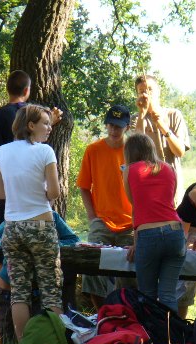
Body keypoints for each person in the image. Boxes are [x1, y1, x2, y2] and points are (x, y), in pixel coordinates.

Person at [0, 104, 62, 342]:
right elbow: (54, 192)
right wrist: (41, 192)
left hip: (12, 228)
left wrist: (18, 193)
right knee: (51, 290)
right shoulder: (45, 151)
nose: (49, 128)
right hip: (40, 226)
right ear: (31, 125)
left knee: (19, 291)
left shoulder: (2, 151)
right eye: (45, 123)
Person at [0, 211, 79, 344]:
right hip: (9, 289)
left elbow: (74, 240)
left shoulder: (52, 216)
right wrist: (15, 244)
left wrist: (49, 244)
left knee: (42, 339)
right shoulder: (14, 215)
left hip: (40, 289)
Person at [76, 105, 136, 311]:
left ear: (127, 127)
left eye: (118, 126)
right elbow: (84, 186)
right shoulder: (93, 150)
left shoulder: (134, 150)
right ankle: (103, 314)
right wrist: (92, 216)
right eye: (110, 125)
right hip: (102, 221)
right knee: (91, 269)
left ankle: (127, 315)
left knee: (130, 274)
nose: (113, 130)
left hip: (129, 223)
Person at [0, 70, 62, 227]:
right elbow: (54, 191)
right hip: (39, 207)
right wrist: (50, 121)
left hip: (10, 194)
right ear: (27, 90)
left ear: (7, 89)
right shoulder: (36, 114)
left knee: (4, 234)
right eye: (46, 124)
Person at [123, 133, 186, 313]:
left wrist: (136, 243)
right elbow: (169, 201)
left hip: (148, 235)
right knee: (168, 295)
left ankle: (150, 331)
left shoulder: (129, 170)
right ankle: (170, 331)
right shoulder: (169, 169)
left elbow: (136, 206)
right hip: (175, 232)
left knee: (147, 295)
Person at [131, 74, 190, 202]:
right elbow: (135, 151)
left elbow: (179, 152)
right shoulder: (135, 119)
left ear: (158, 91)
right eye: (141, 91)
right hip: (147, 186)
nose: (146, 94)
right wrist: (142, 114)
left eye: (150, 89)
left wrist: (161, 125)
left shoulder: (174, 115)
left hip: (172, 187)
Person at [175, 182, 196, 318]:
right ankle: (177, 320)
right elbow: (181, 239)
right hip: (185, 232)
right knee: (185, 271)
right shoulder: (189, 204)